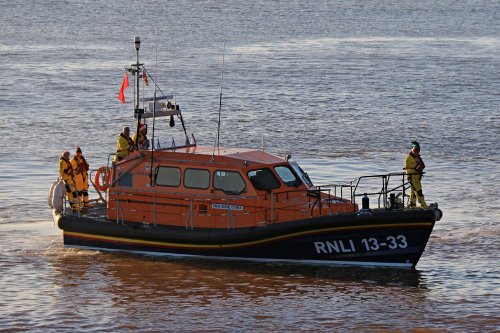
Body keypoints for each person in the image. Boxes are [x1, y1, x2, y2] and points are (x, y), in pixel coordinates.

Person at [404, 141, 428, 208]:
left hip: (417, 177)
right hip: (412, 176)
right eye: (416, 151)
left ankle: (413, 205)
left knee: (413, 191)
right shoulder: (409, 158)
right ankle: (423, 204)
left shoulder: (418, 157)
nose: (417, 152)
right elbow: (407, 166)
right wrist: (416, 166)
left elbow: (422, 165)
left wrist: (420, 166)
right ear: (413, 150)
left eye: (418, 151)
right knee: (418, 191)